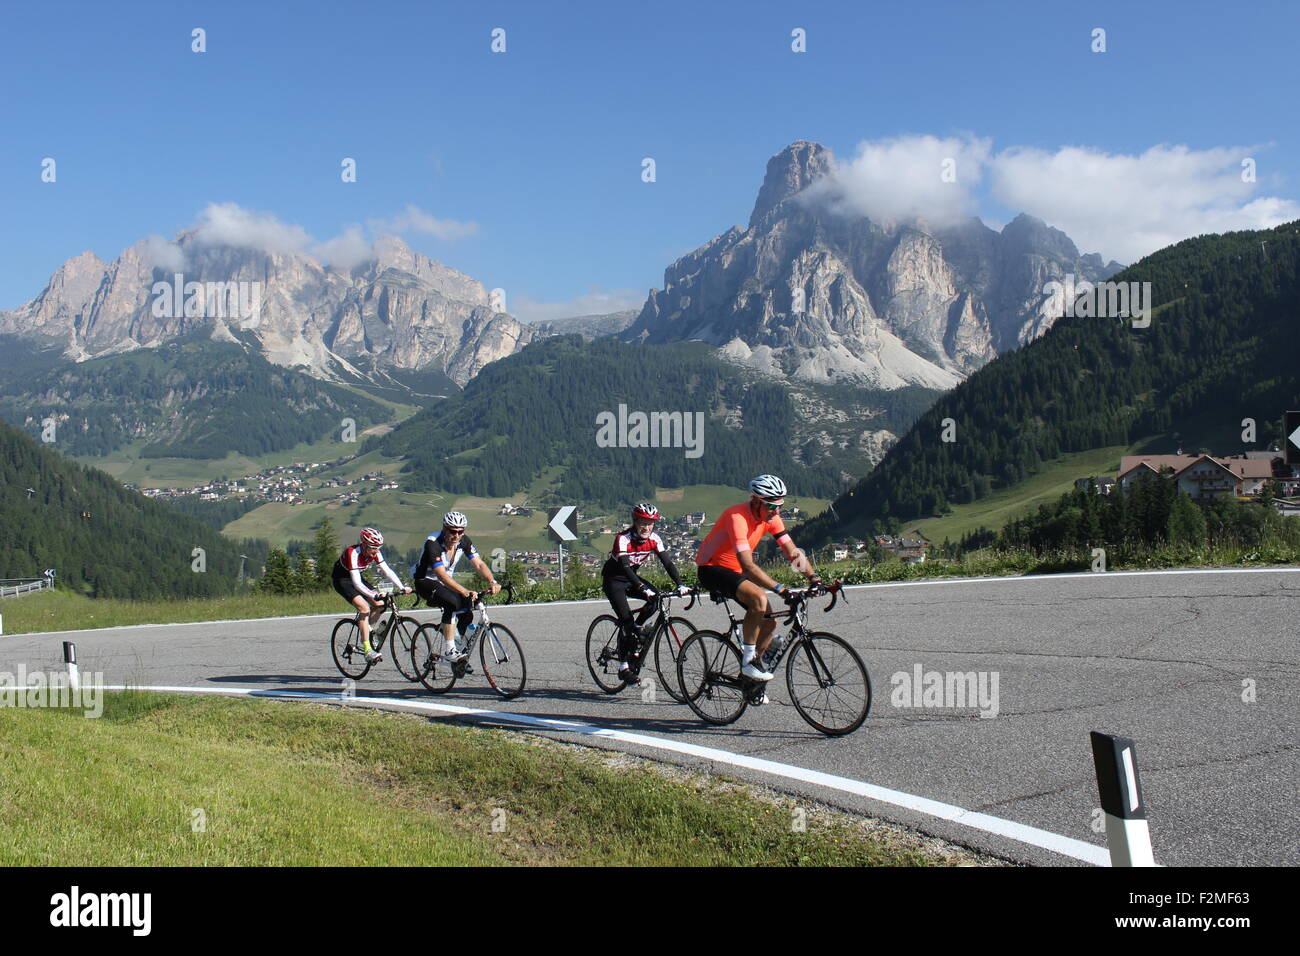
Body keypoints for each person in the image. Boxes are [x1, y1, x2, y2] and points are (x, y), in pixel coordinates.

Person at [695, 475, 821, 685]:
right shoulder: (737, 517)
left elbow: (791, 552)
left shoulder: (772, 518)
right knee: (759, 599)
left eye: (780, 505)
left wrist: (814, 577)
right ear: (755, 501)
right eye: (772, 506)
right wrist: (781, 589)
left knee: (770, 622)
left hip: (736, 571)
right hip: (711, 568)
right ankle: (748, 663)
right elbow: (748, 566)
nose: (777, 511)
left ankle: (751, 680)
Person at [601, 503, 689, 683]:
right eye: (642, 523)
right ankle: (623, 667)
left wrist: (680, 584)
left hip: (631, 578)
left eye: (650, 523)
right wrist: (642, 588)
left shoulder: (654, 539)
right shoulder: (623, 539)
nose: (646, 527)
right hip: (614, 581)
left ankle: (638, 628)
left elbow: (668, 563)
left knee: (655, 600)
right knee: (626, 622)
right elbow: (625, 568)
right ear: (635, 522)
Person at [412, 511, 500, 664]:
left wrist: (492, 581)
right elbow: (441, 574)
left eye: (460, 531)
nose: (457, 535)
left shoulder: (463, 541)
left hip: (445, 581)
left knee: (468, 609)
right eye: (453, 531)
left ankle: (456, 646)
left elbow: (478, 564)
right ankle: (449, 649)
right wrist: (464, 590)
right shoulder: (433, 542)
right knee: (452, 602)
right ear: (445, 529)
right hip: (425, 581)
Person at [331, 527, 411, 663]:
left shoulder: (376, 553)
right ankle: (367, 649)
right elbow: (356, 584)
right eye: (373, 547)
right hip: (342, 580)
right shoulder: (353, 553)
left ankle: (368, 630)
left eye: (378, 547)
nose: (376, 551)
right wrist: (374, 594)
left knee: (380, 605)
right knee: (364, 608)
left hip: (357, 578)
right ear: (364, 544)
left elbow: (387, 571)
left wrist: (402, 587)